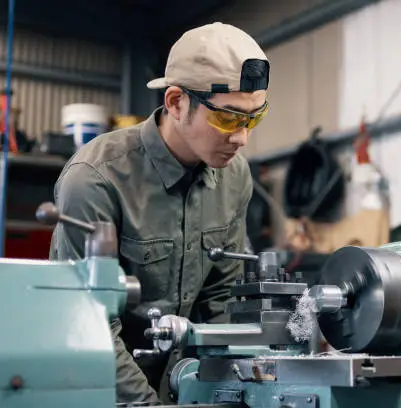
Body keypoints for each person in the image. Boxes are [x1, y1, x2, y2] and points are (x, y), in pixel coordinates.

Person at [48, 22, 270, 404]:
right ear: (176, 102)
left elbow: (218, 303)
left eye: (254, 117)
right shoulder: (97, 179)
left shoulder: (234, 178)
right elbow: (89, 325)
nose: (241, 137)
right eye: (228, 117)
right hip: (89, 385)